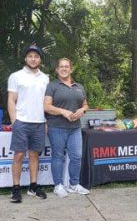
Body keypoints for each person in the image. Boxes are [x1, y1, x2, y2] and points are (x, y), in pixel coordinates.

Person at [7, 44, 49, 203]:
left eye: (36, 56)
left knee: (34, 155)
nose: (33, 59)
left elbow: (46, 102)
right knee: (18, 155)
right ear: (25, 58)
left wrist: (45, 120)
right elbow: (11, 99)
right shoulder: (16, 76)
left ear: (40, 59)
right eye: (30, 56)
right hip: (21, 122)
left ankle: (33, 186)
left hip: (39, 122)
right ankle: (16, 188)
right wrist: (14, 121)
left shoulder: (45, 78)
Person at [44, 58, 89, 198]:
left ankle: (74, 185)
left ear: (71, 69)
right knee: (58, 156)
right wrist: (63, 112)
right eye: (61, 67)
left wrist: (83, 110)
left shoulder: (79, 86)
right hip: (56, 127)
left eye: (67, 66)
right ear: (57, 70)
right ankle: (58, 186)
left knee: (76, 157)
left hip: (75, 127)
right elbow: (46, 106)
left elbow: (85, 104)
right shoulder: (52, 86)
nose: (64, 69)